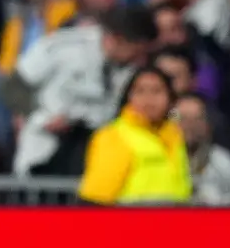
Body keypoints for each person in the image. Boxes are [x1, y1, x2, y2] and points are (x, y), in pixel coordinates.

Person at [77, 66, 191, 205]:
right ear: (128, 97)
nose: (148, 99)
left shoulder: (174, 134)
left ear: (170, 97)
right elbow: (96, 199)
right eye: (140, 91)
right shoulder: (114, 136)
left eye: (157, 91)